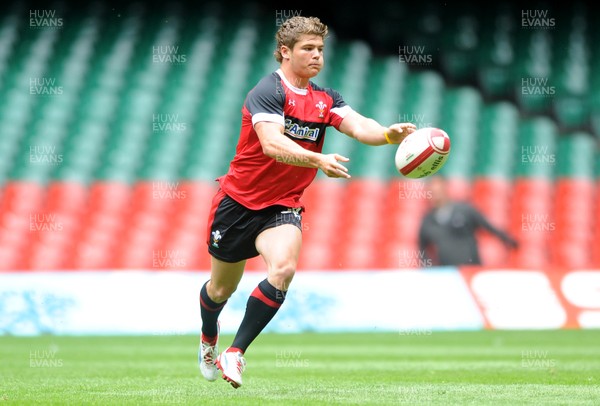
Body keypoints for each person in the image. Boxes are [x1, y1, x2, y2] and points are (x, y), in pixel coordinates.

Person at [198, 16, 417, 388]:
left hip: (282, 206)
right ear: (285, 52)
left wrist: (386, 134)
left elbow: (358, 125)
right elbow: (271, 143)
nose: (317, 56)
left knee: (282, 269)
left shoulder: (325, 99)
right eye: (308, 49)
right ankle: (207, 338)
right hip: (237, 203)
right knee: (220, 290)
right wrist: (318, 159)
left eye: (320, 49)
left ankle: (235, 353)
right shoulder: (267, 91)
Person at [418, 175, 518, 266]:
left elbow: (488, 227)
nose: (436, 195)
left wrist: (508, 240)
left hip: (470, 269)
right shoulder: (428, 221)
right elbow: (422, 248)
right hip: (448, 273)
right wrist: (430, 268)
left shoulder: (465, 210)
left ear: (445, 189)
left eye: (438, 191)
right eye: (433, 192)